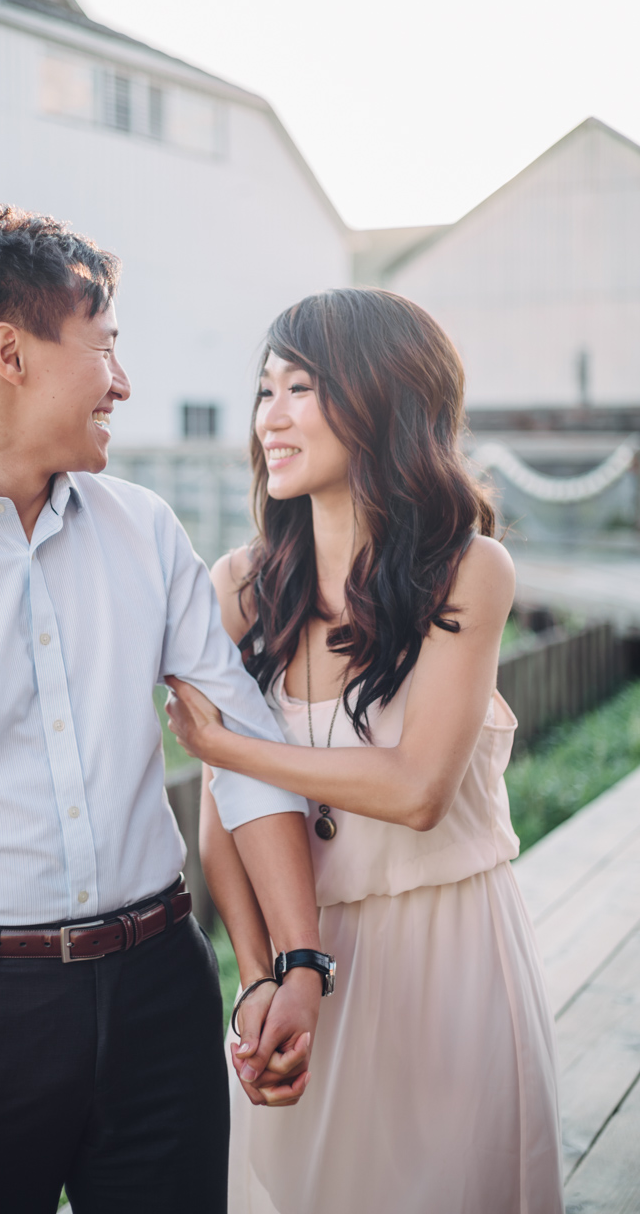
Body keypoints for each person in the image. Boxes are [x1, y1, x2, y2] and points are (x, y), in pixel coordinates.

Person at [0, 206, 331, 1214]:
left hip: (164, 990)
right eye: (106, 350)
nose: (123, 383)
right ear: (9, 353)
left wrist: (295, 959)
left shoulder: (146, 528)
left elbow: (246, 747)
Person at [165, 288, 564, 1214]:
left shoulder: (467, 570)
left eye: (300, 388)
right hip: (306, 961)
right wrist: (261, 977)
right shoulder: (239, 586)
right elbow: (225, 821)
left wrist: (233, 746)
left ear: (384, 399)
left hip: (450, 956)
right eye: (264, 390)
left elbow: (417, 787)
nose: (271, 416)